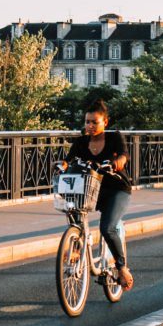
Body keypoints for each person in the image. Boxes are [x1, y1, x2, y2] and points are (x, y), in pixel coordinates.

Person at [58, 100, 134, 291]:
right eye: (87, 122)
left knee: (107, 227)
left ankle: (122, 267)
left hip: (117, 188)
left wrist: (117, 163)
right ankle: (76, 246)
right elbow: (69, 160)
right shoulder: (81, 142)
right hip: (92, 189)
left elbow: (124, 155)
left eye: (95, 122)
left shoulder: (114, 137)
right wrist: (62, 165)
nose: (90, 126)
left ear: (105, 122)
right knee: (74, 215)